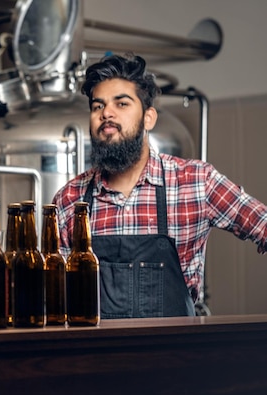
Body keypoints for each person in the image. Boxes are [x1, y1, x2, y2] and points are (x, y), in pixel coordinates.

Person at [53, 54, 267, 319]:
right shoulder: (69, 199)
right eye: (98, 106)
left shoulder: (196, 182)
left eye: (121, 103)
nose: (106, 113)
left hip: (175, 355)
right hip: (95, 358)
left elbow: (263, 224)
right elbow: (53, 298)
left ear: (149, 118)